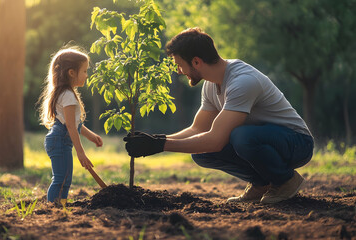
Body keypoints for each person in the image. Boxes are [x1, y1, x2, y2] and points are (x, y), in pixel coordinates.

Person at [123, 28, 314, 204]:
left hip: (296, 143)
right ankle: (261, 183)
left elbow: (215, 140)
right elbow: (198, 129)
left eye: (180, 65)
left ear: (196, 61)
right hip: (266, 142)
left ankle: (285, 180)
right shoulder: (211, 84)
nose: (179, 71)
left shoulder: (242, 81)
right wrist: (158, 139)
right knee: (202, 153)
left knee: (240, 136)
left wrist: (159, 146)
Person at [38, 46, 103, 205]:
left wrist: (91, 136)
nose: (87, 76)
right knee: (61, 179)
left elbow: (75, 124)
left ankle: (60, 206)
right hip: (60, 140)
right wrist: (81, 153)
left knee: (65, 179)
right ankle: (53, 208)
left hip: (59, 141)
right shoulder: (67, 95)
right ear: (71, 73)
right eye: (85, 71)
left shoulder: (66, 93)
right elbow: (71, 128)